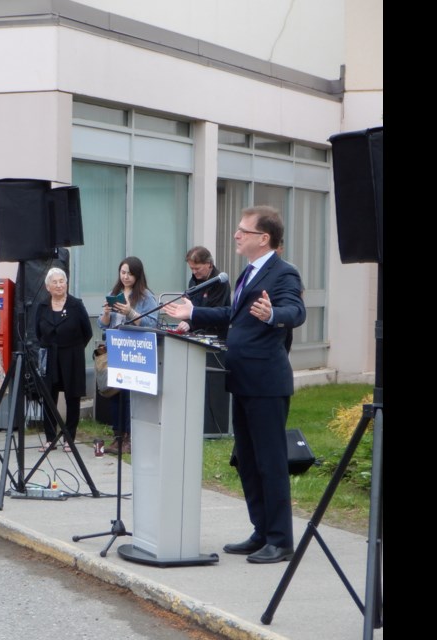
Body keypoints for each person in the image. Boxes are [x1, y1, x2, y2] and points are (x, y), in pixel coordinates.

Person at [166, 205, 305, 564]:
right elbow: (233, 316)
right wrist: (193, 313)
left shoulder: (283, 273)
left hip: (266, 382)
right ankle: (261, 531)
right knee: (246, 460)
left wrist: (274, 315)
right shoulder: (247, 273)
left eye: (243, 230)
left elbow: (295, 311)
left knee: (270, 461)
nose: (236, 234)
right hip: (242, 379)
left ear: (264, 238)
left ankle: (280, 539)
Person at [98, 256, 158, 455]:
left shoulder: (146, 296)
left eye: (130, 274)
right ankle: (117, 436)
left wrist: (130, 312)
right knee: (115, 394)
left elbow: (152, 324)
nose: (125, 277)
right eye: (123, 272)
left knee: (129, 395)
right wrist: (106, 313)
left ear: (138, 275)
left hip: (134, 349)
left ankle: (130, 437)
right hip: (115, 346)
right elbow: (103, 324)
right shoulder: (114, 293)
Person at [34, 267, 92, 453]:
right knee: (48, 396)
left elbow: (87, 332)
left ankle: (69, 438)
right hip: (48, 355)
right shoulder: (42, 306)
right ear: (47, 286)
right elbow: (37, 332)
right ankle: (50, 438)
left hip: (72, 356)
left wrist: (73, 349)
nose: (59, 285)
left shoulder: (76, 305)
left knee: (72, 397)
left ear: (66, 284)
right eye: (55, 282)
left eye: (62, 281)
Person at [176, 246, 231, 336]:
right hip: (195, 333)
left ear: (209, 264)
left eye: (197, 268)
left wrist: (190, 323)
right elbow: (191, 307)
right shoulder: (194, 280)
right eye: (191, 268)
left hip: (214, 334)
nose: (194, 272)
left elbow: (214, 312)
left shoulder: (220, 282)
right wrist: (185, 322)